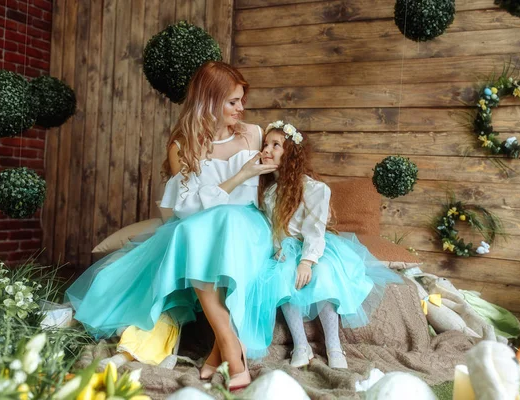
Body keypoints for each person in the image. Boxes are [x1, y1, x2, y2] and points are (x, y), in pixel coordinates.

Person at [66, 61, 278, 390]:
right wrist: (241, 176)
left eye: (241, 101)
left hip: (246, 225)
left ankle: (223, 352)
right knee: (193, 231)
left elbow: (274, 187)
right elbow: (187, 208)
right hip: (200, 228)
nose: (241, 108)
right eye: (232, 102)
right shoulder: (182, 145)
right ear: (209, 101)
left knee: (212, 228)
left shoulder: (254, 134)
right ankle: (230, 352)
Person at [253, 120, 403, 368]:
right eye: (266, 144)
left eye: (276, 145)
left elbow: (314, 230)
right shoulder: (269, 193)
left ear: (290, 152)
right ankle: (301, 346)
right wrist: (279, 248)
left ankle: (334, 346)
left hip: (313, 249)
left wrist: (307, 261)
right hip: (286, 249)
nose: (267, 150)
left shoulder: (313, 189)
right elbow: (273, 228)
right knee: (282, 277)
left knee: (323, 274)